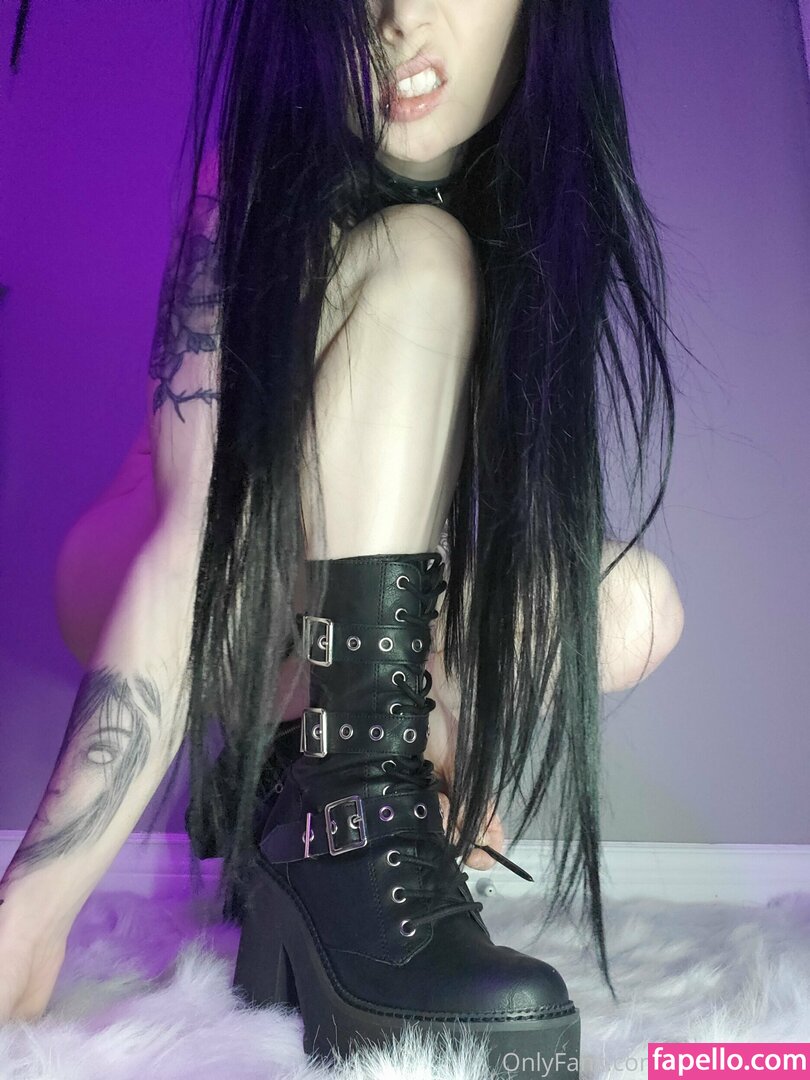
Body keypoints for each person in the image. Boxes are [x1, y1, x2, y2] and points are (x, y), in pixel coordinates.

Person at [0, 1, 685, 1072]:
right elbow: (197, 545)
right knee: (420, 256)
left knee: (633, 605)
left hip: (358, 616)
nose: (397, 20)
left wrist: (458, 749)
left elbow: (487, 531)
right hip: (177, 566)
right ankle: (337, 799)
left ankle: (325, 805)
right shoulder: (266, 175)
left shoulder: (537, 206)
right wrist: (35, 911)